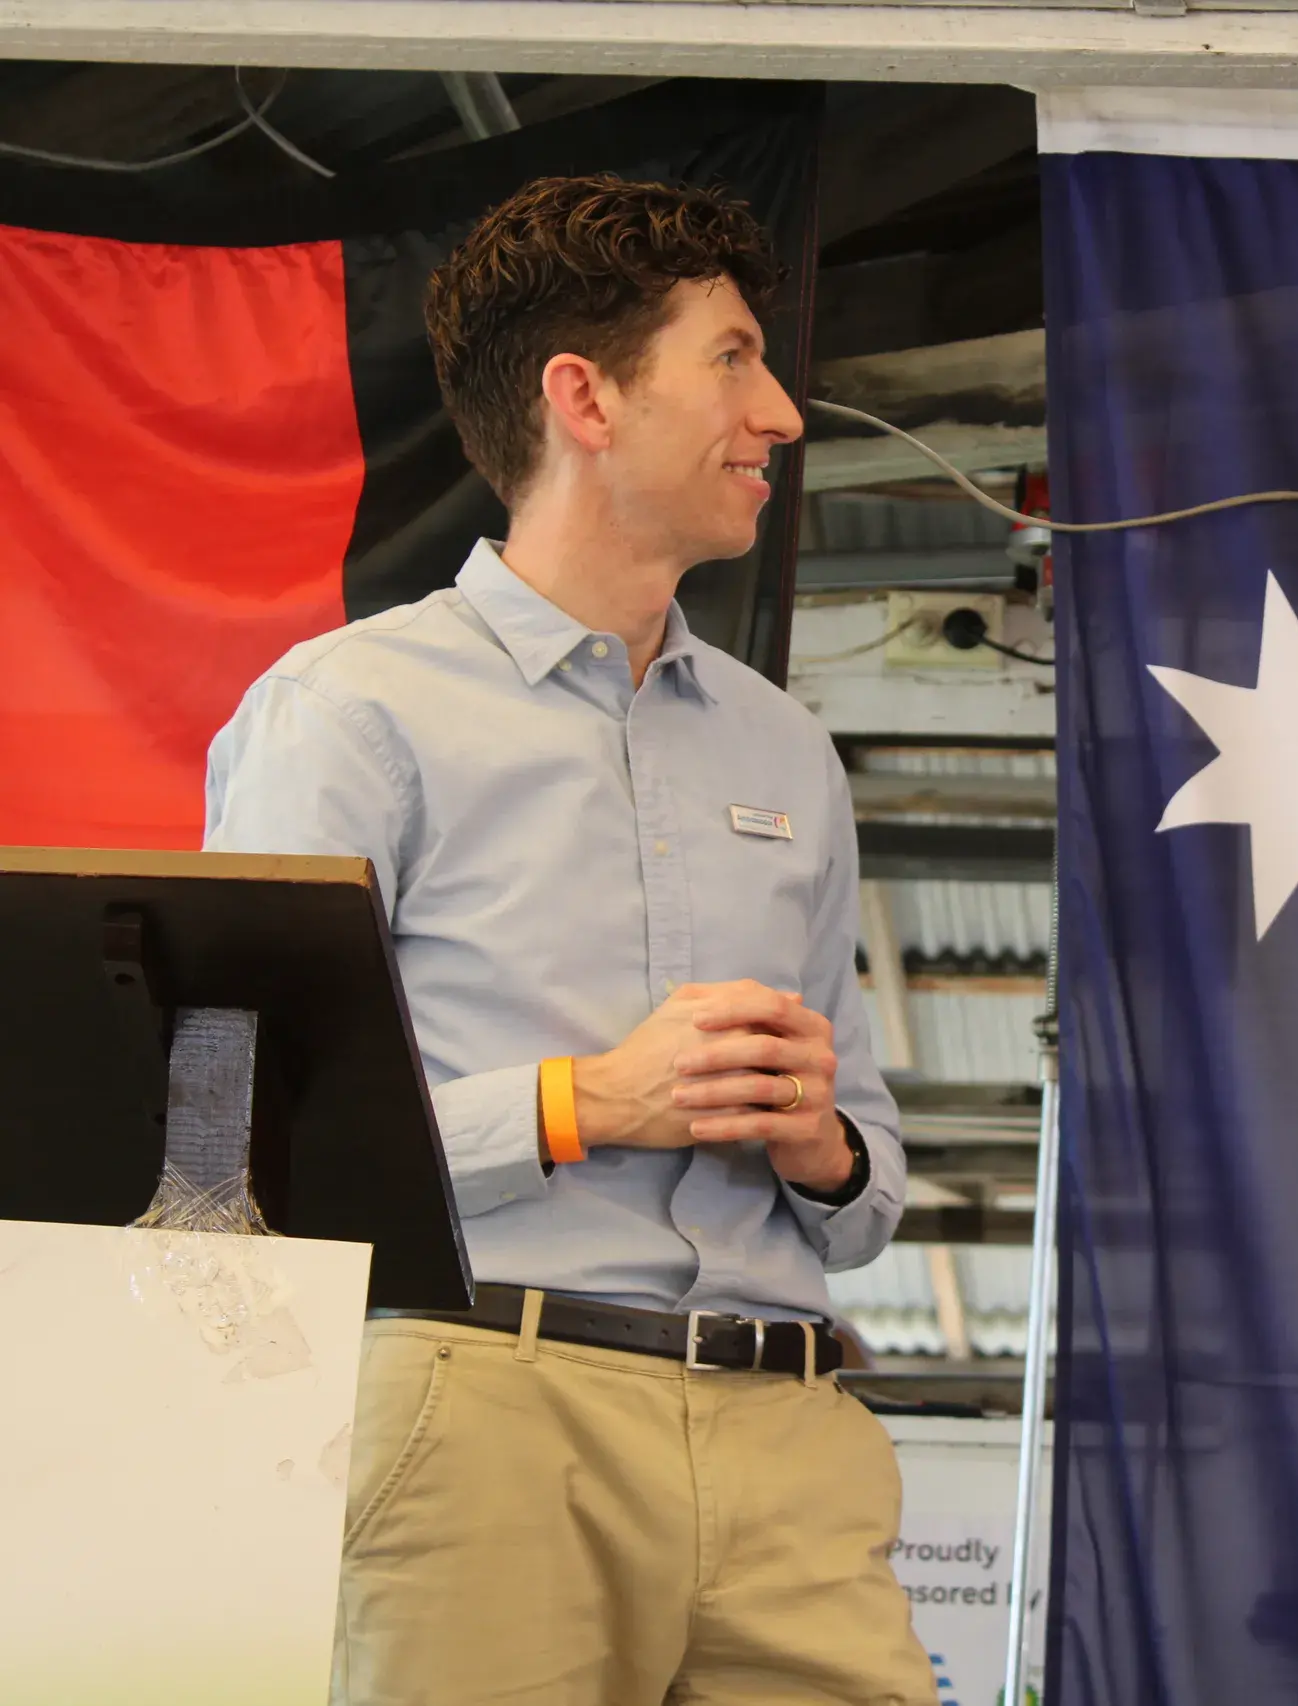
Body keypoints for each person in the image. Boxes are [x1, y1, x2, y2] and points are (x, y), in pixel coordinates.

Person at [204, 176, 937, 1704]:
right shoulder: (349, 712)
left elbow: (867, 1195)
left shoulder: (789, 751)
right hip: (484, 1416)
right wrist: (579, 1102)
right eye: (734, 358)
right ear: (583, 397)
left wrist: (824, 1148)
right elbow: (226, 1137)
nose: (783, 413)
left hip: (793, 1437)